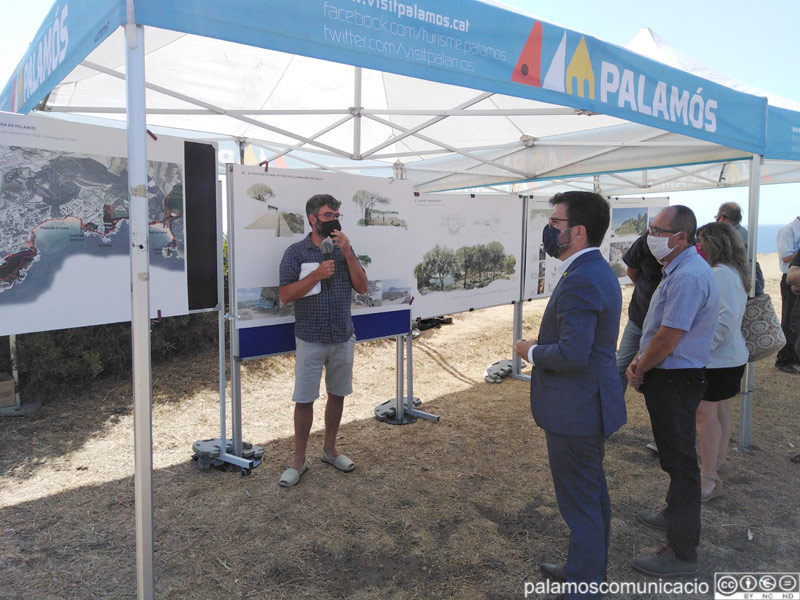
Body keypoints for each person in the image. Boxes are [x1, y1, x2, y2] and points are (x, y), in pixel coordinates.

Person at [514, 191, 625, 598]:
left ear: (576, 232)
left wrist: (531, 352)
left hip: (576, 409)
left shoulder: (582, 277)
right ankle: (585, 568)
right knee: (590, 495)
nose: (549, 229)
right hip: (586, 404)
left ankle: (584, 587)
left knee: (581, 503)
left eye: (554, 223)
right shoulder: (593, 270)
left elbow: (572, 353)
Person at [626, 205, 719, 577]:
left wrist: (639, 367)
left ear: (681, 237)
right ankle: (672, 516)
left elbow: (668, 337)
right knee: (674, 458)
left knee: (681, 465)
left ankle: (682, 552)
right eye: (650, 228)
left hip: (674, 377)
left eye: (658, 230)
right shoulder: (682, 268)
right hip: (674, 375)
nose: (651, 236)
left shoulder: (688, 276)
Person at [277, 194, 368, 487]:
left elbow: (362, 287)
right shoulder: (295, 252)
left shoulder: (345, 249)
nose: (334, 220)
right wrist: (317, 274)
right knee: (304, 399)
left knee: (338, 394)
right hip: (311, 338)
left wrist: (349, 254)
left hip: (342, 335)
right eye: (329, 215)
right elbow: (285, 295)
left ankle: (330, 450)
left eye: (337, 215)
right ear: (312, 218)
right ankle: (299, 460)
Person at [694, 222, 750, 502]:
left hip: (718, 359)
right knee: (718, 412)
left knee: (705, 416)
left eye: (702, 241)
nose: (698, 246)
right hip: (727, 358)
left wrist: (702, 350)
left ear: (716, 243)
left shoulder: (720, 274)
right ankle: (718, 464)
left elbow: (724, 319)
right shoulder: (733, 271)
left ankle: (708, 479)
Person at [616, 233, 662, 392]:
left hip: (664, 326)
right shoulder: (645, 241)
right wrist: (646, 292)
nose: (655, 233)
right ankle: (610, 412)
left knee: (658, 375)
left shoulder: (687, 257)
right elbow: (631, 271)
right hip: (639, 317)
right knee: (619, 367)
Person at [715, 202, 764, 296]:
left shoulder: (732, 236)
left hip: (744, 281)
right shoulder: (743, 232)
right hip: (752, 279)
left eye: (717, 218)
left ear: (722, 217)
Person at [775, 216, 800, 374]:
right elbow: (786, 256)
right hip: (790, 278)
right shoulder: (788, 230)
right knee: (789, 319)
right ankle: (784, 359)